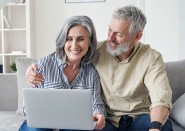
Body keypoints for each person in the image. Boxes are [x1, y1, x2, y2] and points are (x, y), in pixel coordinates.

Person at [26, 6, 173, 131]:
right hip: (108, 121)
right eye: (110, 30)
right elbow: (67, 51)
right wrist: (32, 71)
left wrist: (155, 126)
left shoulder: (151, 58)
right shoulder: (97, 50)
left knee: (164, 126)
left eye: (118, 34)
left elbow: (160, 97)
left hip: (138, 118)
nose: (110, 38)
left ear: (137, 36)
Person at [19, 15, 106, 131]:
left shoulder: (91, 73)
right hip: (41, 126)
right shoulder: (44, 65)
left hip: (72, 127)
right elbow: (27, 107)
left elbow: (97, 104)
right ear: (62, 41)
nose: (74, 45)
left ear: (89, 42)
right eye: (69, 39)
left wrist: (100, 114)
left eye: (80, 39)